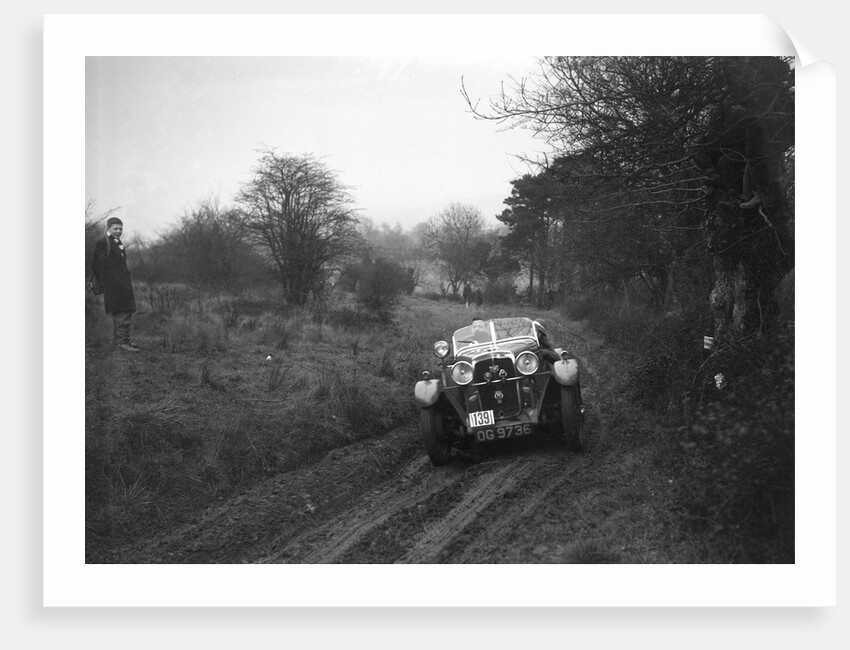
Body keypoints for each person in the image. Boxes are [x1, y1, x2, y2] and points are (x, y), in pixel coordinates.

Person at [92, 216, 139, 352]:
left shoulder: (117, 242)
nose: (118, 231)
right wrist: (104, 283)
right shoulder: (103, 242)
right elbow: (96, 265)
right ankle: (123, 343)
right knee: (122, 312)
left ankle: (119, 341)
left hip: (122, 283)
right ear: (108, 228)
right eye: (115, 228)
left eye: (120, 229)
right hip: (114, 284)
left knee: (123, 311)